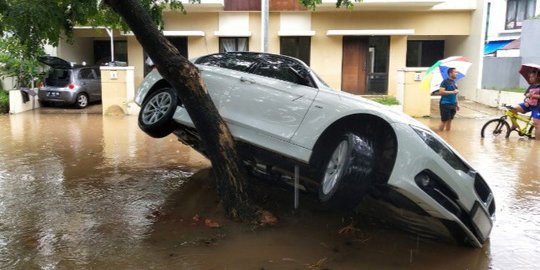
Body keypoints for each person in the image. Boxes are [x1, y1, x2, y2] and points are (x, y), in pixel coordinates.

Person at [510, 70, 540, 139]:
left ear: (538, 77)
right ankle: (514, 125)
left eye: (532, 77)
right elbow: (526, 94)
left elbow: (532, 95)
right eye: (530, 77)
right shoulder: (531, 86)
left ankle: (537, 145)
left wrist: (533, 95)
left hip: (538, 107)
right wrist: (526, 99)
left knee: (537, 124)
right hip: (528, 104)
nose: (530, 79)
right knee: (512, 110)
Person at [438, 67, 460, 131]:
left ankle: (447, 136)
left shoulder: (454, 82)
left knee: (450, 120)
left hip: (453, 104)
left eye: (457, 72)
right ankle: (440, 136)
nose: (457, 73)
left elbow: (455, 94)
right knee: (444, 121)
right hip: (445, 104)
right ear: (450, 73)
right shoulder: (445, 82)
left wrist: (457, 104)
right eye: (455, 72)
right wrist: (452, 92)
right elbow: (441, 92)